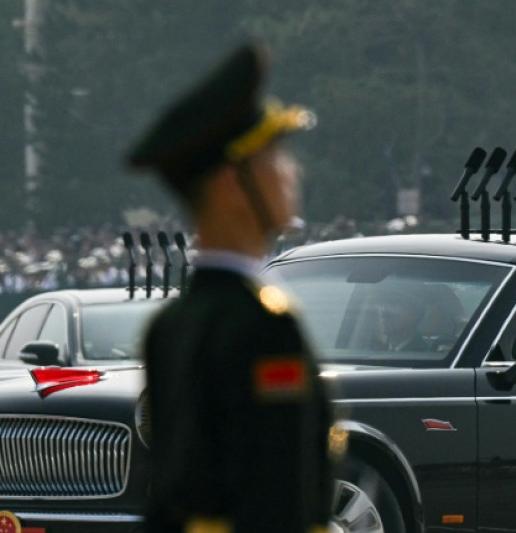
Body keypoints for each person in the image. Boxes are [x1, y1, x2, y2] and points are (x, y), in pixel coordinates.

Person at [126, 43, 335, 533]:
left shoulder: (171, 324)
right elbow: (275, 501)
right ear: (230, 185)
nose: (291, 172)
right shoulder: (264, 326)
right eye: (273, 157)